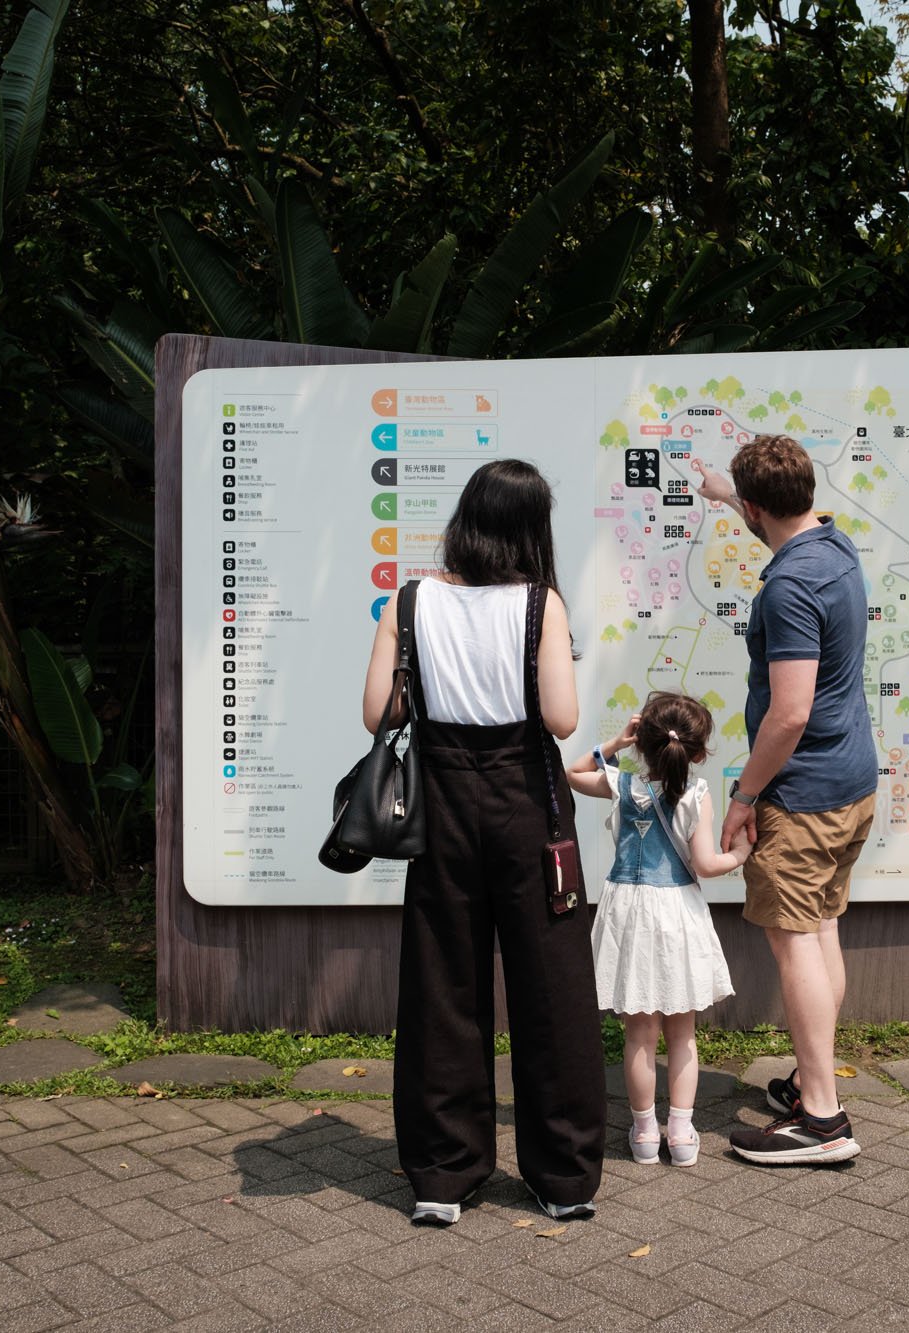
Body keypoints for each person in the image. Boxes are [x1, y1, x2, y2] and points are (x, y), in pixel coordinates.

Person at [360, 458, 605, 1225]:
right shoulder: (542, 604)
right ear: (531, 528)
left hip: (439, 800)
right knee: (552, 985)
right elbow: (561, 720)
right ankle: (562, 1178)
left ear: (466, 521)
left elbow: (378, 715)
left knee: (442, 982)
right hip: (525, 801)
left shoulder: (410, 601)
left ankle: (442, 1173)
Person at [691, 435, 878, 1165]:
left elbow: (790, 712)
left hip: (802, 794)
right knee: (821, 927)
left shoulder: (791, 586)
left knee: (796, 941)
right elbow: (772, 517)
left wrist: (744, 794)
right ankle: (811, 1082)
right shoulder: (836, 548)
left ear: (757, 507)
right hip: (849, 784)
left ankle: (823, 1120)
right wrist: (719, 492)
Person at [565, 692, 747, 1167]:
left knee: (639, 1035)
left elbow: (572, 772)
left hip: (627, 911)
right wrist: (741, 856)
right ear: (698, 751)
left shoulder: (622, 785)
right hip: (676, 916)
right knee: (682, 1035)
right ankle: (682, 1134)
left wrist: (615, 742)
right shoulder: (698, 793)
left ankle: (645, 1134)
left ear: (641, 743)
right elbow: (706, 865)